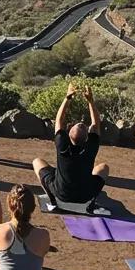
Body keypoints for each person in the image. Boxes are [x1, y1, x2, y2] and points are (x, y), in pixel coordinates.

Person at [32, 82, 110, 213]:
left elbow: (59, 121)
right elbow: (96, 124)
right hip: (85, 195)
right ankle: (91, 202)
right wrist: (91, 101)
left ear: (68, 135)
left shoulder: (62, 145)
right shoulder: (91, 147)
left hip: (61, 193)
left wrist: (67, 98)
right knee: (103, 168)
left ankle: (52, 201)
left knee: (37, 162)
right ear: (87, 138)